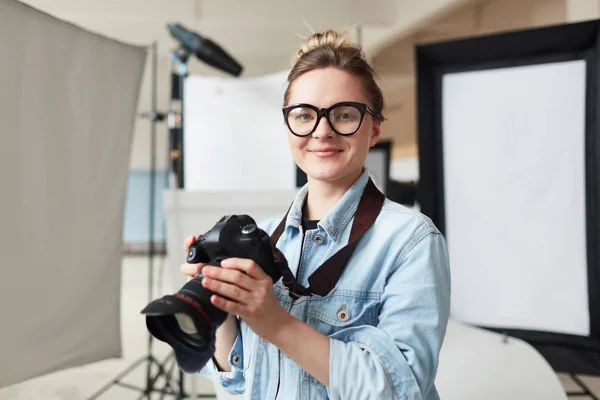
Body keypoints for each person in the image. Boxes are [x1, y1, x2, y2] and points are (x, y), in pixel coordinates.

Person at [180, 29, 451, 400]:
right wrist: (221, 303)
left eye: (343, 114)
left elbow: (397, 392)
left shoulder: (410, 242)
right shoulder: (263, 235)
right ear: (289, 126)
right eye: (305, 115)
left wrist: (274, 322)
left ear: (374, 129)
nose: (322, 131)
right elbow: (239, 380)